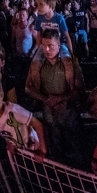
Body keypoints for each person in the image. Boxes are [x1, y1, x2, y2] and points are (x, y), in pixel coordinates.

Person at [24, 29, 85, 165]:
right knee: (56, 151)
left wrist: (61, 98)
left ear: (59, 44)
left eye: (50, 45)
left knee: (77, 149)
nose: (46, 49)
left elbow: (80, 89)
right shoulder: (38, 66)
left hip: (69, 114)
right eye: (44, 45)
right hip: (50, 115)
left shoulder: (70, 63)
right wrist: (45, 100)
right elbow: (28, 88)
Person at [0, 76, 46, 158]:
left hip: (33, 150)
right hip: (17, 152)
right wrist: (9, 143)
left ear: (1, 95)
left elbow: (37, 124)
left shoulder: (14, 111)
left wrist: (42, 152)